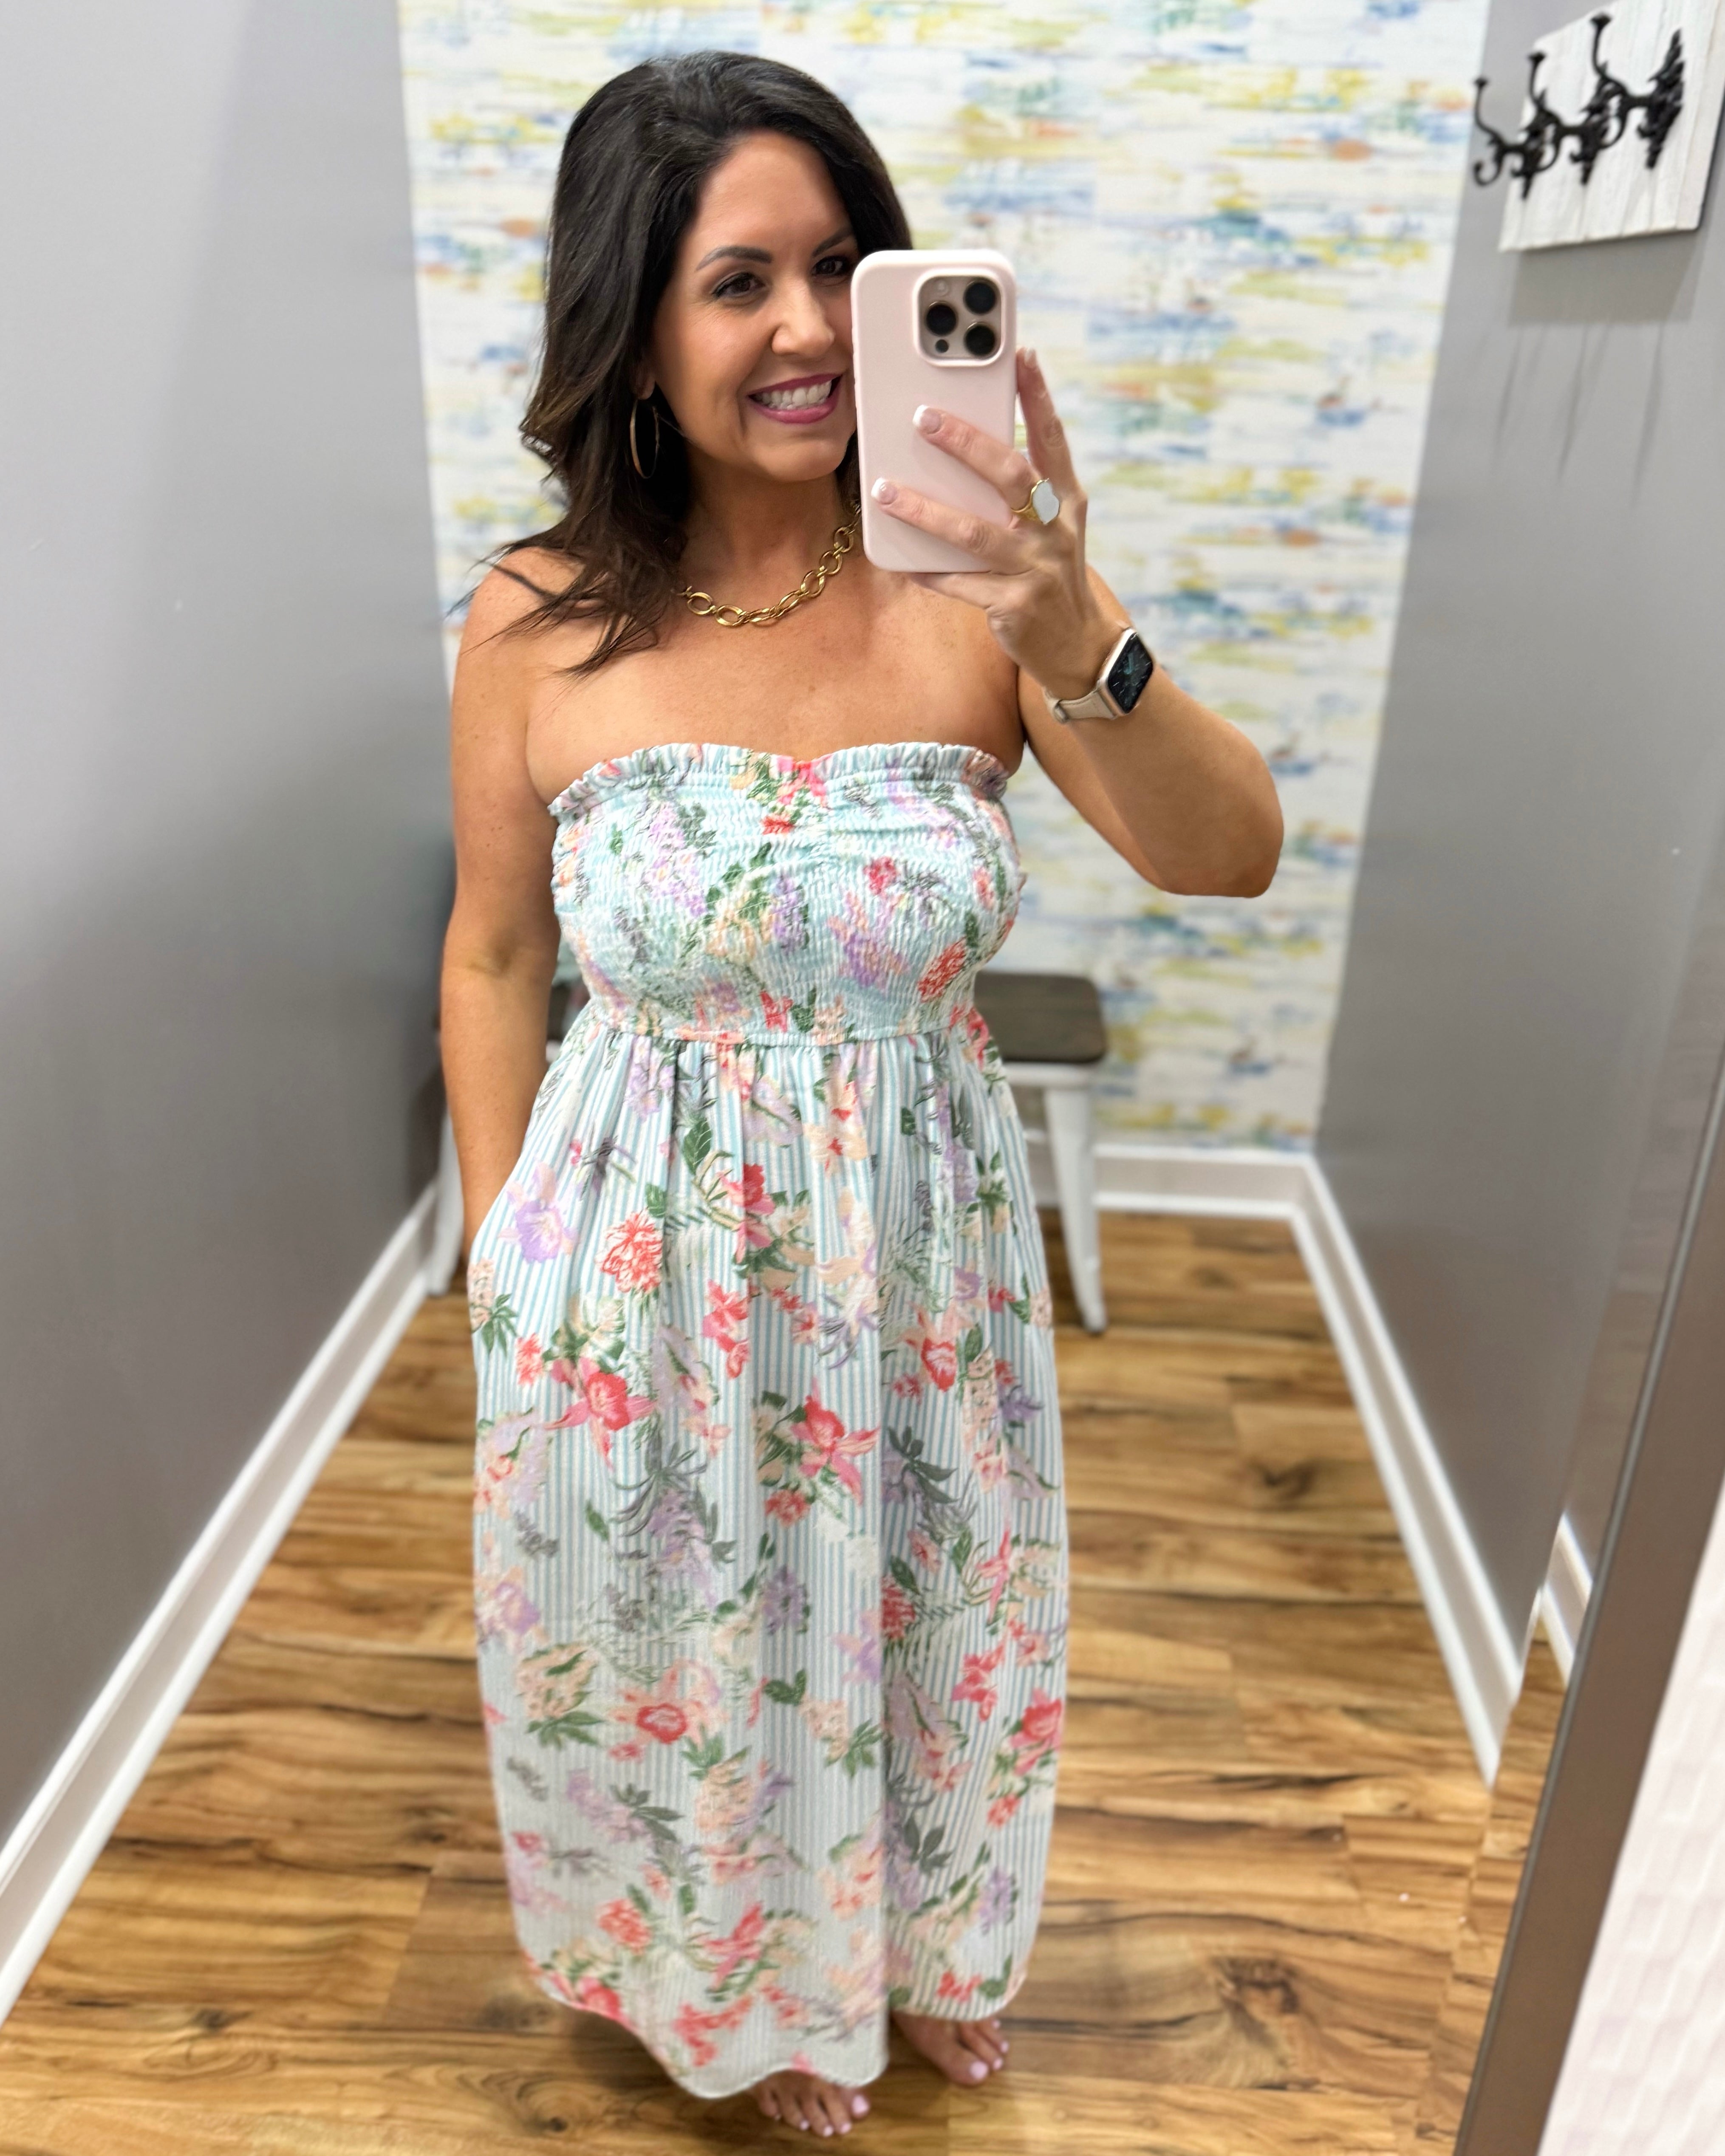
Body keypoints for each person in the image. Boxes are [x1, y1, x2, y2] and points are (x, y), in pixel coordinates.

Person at [440, 49, 1281, 2139]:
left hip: (916, 1263)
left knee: (921, 1626)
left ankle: (899, 1953)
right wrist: (500, 1253)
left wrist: (1069, 605)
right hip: (636, 1274)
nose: (811, 328)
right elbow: (491, 953)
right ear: (633, 327)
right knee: (676, 1647)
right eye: (740, 283)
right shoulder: (536, 621)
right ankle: (725, 1985)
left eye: (843, 267)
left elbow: (1226, 853)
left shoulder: (975, 596)